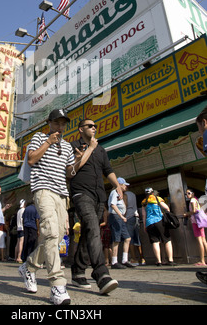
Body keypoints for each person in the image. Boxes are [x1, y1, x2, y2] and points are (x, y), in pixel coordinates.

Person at [18, 109, 80, 305]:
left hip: (62, 194)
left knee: (57, 235)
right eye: (57, 123)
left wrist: (79, 158)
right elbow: (31, 159)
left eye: (63, 124)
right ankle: (57, 285)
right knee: (51, 233)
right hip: (43, 189)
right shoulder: (39, 137)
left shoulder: (68, 147)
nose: (60, 127)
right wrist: (48, 142)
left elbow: (70, 172)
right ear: (49, 123)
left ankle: (29, 266)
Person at [69, 119, 122, 294]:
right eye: (90, 126)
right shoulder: (74, 146)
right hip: (80, 193)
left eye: (95, 126)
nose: (94, 128)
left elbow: (108, 170)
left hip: (99, 195)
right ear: (81, 129)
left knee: (88, 232)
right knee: (92, 228)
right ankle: (101, 274)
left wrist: (117, 186)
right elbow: (71, 170)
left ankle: (77, 271)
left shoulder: (101, 150)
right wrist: (89, 148)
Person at [141, 188, 176, 266]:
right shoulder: (157, 199)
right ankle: (170, 260)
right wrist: (167, 214)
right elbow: (166, 208)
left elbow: (144, 215)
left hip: (149, 223)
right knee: (167, 240)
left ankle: (159, 261)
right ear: (153, 193)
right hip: (159, 221)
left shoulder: (144, 202)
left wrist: (144, 226)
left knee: (155, 242)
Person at [108, 177, 135, 269]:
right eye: (124, 185)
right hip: (116, 217)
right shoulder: (114, 193)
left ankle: (124, 260)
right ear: (119, 184)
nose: (125, 187)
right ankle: (114, 262)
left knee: (127, 238)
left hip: (120, 218)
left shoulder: (120, 194)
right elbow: (113, 205)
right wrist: (121, 216)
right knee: (116, 239)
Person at [184, 188, 207, 266]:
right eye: (186, 193)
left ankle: (202, 261)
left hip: (196, 222)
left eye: (189, 193)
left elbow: (194, 210)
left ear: (193, 193)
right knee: (204, 241)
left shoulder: (192, 200)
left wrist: (187, 214)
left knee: (200, 241)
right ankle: (203, 260)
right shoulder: (196, 199)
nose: (187, 195)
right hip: (200, 222)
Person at [125, 188, 145, 266]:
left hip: (128, 217)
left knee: (130, 239)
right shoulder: (133, 194)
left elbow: (125, 206)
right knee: (137, 238)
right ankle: (142, 258)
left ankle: (134, 259)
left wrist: (123, 217)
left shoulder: (124, 195)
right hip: (136, 217)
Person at [15, 199, 25, 263]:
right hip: (22, 228)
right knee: (21, 242)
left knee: (18, 243)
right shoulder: (23, 210)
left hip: (18, 227)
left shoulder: (18, 211)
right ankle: (19, 257)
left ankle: (15, 257)